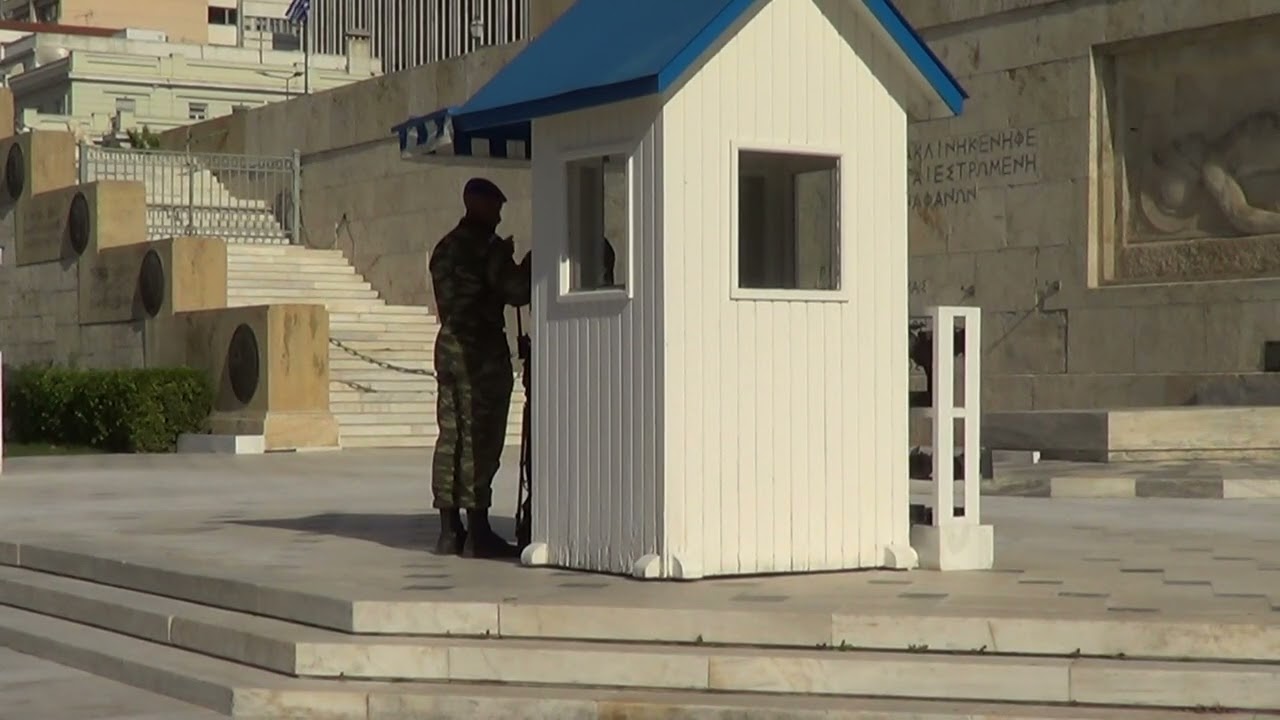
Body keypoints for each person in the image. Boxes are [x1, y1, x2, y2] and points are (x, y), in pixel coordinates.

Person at [428, 177, 531, 558]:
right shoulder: (488, 249)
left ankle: (448, 530)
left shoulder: (444, 248)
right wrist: (529, 265)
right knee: (480, 438)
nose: (499, 216)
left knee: (450, 437)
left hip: (448, 346)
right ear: (480, 205)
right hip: (481, 352)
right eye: (496, 208)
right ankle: (479, 530)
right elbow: (516, 292)